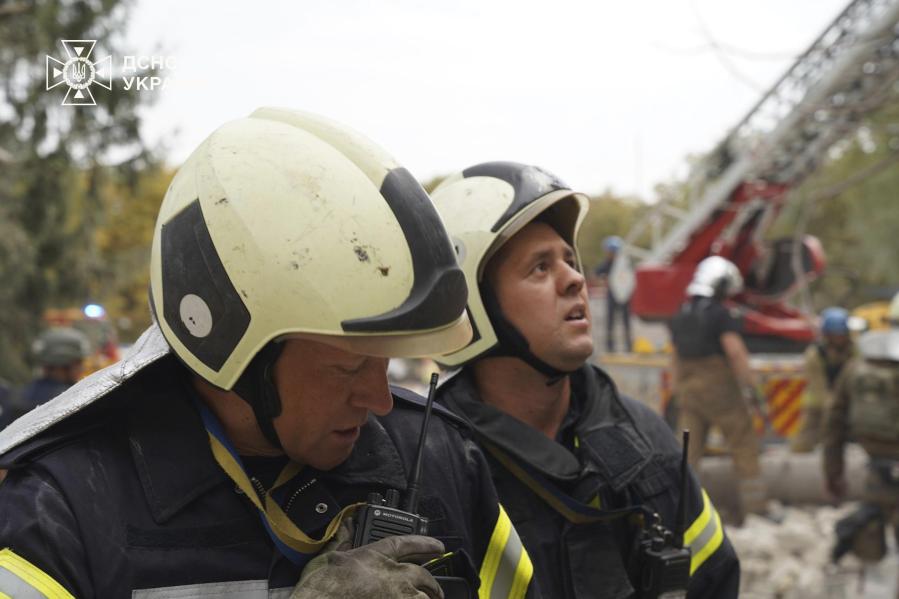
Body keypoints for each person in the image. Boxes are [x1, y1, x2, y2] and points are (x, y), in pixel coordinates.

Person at [0, 109, 535, 599]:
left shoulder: (444, 461)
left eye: (385, 360)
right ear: (230, 350)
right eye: (346, 367)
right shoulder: (60, 511)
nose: (380, 399)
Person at [430, 161, 739, 598]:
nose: (575, 279)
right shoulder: (432, 470)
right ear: (473, 304)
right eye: (540, 268)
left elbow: (714, 581)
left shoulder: (644, 441)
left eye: (570, 260)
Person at [668, 256, 766, 523]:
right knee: (743, 445)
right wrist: (753, 390)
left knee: (688, 454)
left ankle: (680, 513)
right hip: (721, 393)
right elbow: (735, 353)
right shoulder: (721, 315)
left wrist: (676, 393)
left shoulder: (681, 314)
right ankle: (755, 509)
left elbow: (675, 357)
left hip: (690, 393)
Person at [823, 291, 899, 570]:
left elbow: (834, 425)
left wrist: (833, 475)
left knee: (871, 555)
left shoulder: (857, 367)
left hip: (876, 478)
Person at [792, 307, 856, 453]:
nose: (839, 338)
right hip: (818, 400)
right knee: (806, 440)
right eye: (835, 335)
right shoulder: (814, 355)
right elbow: (817, 385)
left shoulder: (852, 349)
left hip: (844, 397)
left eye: (842, 334)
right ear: (827, 335)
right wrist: (835, 405)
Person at [16, 327, 91, 414]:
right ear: (62, 363)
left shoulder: (22, 395)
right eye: (78, 362)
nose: (83, 368)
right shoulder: (73, 399)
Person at [593, 236, 632, 353]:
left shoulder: (624, 263)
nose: (608, 254)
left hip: (624, 296)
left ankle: (629, 346)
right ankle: (610, 347)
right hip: (612, 296)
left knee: (626, 322)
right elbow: (595, 274)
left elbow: (629, 279)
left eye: (610, 251)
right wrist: (604, 280)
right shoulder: (606, 263)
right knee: (610, 322)